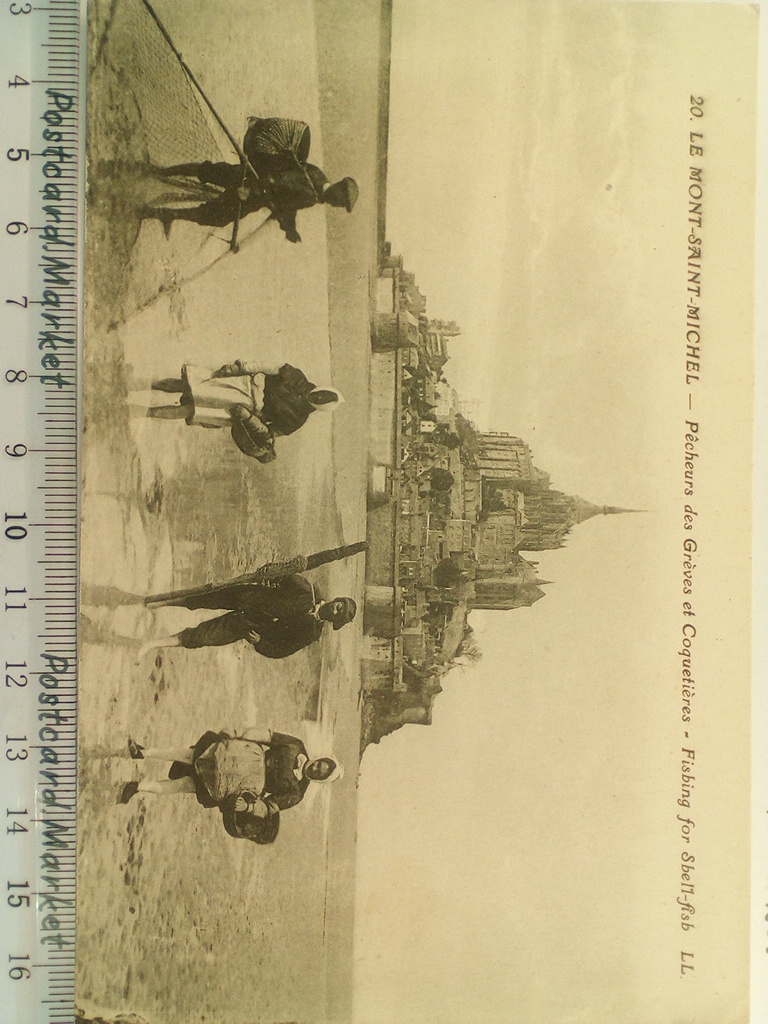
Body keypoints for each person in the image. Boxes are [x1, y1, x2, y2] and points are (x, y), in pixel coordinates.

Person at [145, 116, 359, 242]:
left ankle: (161, 173)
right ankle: (166, 211)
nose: (337, 205)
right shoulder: (311, 193)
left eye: (340, 205)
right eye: (340, 200)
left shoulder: (318, 176)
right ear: (338, 187)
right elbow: (280, 185)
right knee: (216, 214)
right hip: (252, 191)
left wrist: (290, 229)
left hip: (253, 174)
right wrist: (249, 191)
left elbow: (287, 202)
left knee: (209, 171)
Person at [118, 727, 343, 844]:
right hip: (240, 754)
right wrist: (239, 734)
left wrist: (247, 808)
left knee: (185, 785)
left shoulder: (296, 793)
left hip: (239, 784)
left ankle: (139, 787)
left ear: (319, 780)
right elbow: (268, 736)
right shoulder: (296, 746)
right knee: (187, 755)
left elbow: (268, 807)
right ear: (321, 759)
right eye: (321, 764)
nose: (316, 768)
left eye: (320, 773)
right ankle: (144, 753)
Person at [140, 361, 344, 461]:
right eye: (322, 394)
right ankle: (141, 384)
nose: (318, 398)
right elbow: (268, 366)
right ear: (322, 388)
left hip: (242, 409)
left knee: (190, 409)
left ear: (321, 408)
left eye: (322, 401)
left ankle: (143, 412)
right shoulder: (298, 377)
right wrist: (240, 367)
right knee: (187, 385)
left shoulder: (297, 420)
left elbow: (269, 434)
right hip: (244, 385)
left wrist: (248, 418)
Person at [138, 573, 357, 658]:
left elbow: (282, 649)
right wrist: (264, 580)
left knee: (201, 637)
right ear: (336, 600)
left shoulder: (311, 633)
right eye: (339, 605)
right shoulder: (307, 590)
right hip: (246, 596)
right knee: (202, 598)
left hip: (247, 625)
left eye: (338, 614)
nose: (335, 609)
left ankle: (151, 645)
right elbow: (280, 573)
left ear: (334, 622)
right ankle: (162, 602)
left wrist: (261, 642)